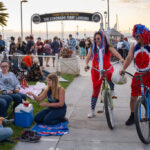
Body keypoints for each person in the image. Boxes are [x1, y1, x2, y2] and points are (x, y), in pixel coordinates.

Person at [84, 31, 124, 118]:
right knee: (95, 91)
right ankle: (92, 111)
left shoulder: (107, 47)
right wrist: (86, 65)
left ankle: (112, 90)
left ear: (102, 39)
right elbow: (87, 57)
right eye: (95, 39)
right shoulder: (93, 47)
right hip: (96, 71)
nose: (96, 40)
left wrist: (121, 58)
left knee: (110, 75)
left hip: (107, 69)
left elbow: (116, 53)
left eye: (98, 39)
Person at [120, 24, 150, 126]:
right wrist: (123, 69)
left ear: (144, 35)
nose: (137, 39)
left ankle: (148, 113)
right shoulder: (134, 45)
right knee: (133, 97)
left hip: (149, 73)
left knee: (147, 96)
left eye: (138, 37)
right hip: (138, 75)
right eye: (135, 37)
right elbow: (129, 58)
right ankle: (133, 115)